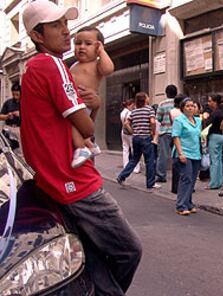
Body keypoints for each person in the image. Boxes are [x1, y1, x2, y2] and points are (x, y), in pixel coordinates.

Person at [20, 1, 142, 295]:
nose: (66, 31)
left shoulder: (38, 68)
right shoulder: (52, 65)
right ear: (37, 36)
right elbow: (86, 128)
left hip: (55, 180)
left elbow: (77, 125)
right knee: (129, 250)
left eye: (65, 23)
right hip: (72, 181)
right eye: (57, 26)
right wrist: (93, 108)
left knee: (91, 260)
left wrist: (94, 107)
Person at [70, 26, 114, 168]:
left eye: (88, 44)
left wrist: (101, 52)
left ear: (97, 47)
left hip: (85, 104)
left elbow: (108, 69)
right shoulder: (74, 65)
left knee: (74, 127)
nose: (81, 47)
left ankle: (81, 149)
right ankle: (90, 145)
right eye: (78, 43)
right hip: (75, 103)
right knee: (77, 128)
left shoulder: (96, 64)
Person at [117, 92, 160, 189]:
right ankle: (150, 183)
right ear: (145, 99)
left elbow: (126, 123)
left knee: (134, 159)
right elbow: (153, 122)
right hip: (146, 137)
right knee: (149, 160)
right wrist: (152, 132)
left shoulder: (134, 111)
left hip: (136, 138)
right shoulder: (149, 109)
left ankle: (122, 176)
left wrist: (133, 132)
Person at [172, 98, 202, 215]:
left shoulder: (198, 121)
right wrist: (180, 153)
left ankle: (189, 203)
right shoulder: (179, 120)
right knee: (186, 178)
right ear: (183, 108)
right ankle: (181, 205)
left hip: (196, 153)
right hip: (184, 152)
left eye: (192, 106)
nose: (190, 108)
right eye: (188, 106)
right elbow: (176, 137)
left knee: (192, 180)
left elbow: (198, 135)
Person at [155, 84, 177, 183]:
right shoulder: (179, 103)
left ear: (166, 93)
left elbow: (158, 119)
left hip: (165, 132)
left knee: (163, 155)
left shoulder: (162, 104)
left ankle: (161, 175)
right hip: (177, 132)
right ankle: (178, 174)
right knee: (177, 154)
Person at [204, 94, 223, 190]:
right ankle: (219, 181)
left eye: (210, 101)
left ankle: (213, 183)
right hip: (221, 135)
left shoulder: (215, 113)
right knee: (219, 159)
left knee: (214, 160)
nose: (208, 103)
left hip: (214, 136)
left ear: (214, 102)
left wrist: (205, 118)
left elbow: (208, 124)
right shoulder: (221, 112)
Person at [120, 98, 141, 173]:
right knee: (134, 150)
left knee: (125, 149)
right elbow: (129, 123)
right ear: (131, 104)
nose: (134, 107)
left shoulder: (122, 112)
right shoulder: (129, 113)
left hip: (123, 132)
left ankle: (126, 166)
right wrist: (133, 132)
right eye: (133, 105)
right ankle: (136, 167)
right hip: (129, 133)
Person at [170, 94, 186, 194]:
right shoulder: (183, 113)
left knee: (176, 163)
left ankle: (175, 187)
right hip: (184, 138)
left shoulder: (172, 112)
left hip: (174, 135)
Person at [0, 83, 22, 151]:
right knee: (6, 149)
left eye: (17, 95)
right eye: (13, 94)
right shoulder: (8, 102)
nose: (15, 96)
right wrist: (7, 116)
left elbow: (31, 117)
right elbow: (0, 116)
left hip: (19, 130)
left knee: (19, 151)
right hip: (8, 129)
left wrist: (20, 114)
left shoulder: (25, 103)